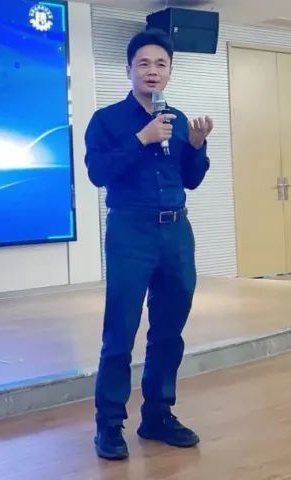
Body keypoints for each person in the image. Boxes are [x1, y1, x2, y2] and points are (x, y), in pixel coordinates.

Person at [84, 28, 213, 460]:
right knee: (120, 330)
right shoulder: (106, 120)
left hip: (176, 232)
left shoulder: (177, 119)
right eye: (144, 63)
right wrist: (142, 139)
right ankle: (108, 424)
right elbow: (98, 173)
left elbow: (190, 179)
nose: (152, 71)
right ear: (129, 70)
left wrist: (196, 146)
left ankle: (157, 414)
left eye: (161, 64)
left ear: (170, 72)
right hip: (130, 231)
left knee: (169, 331)